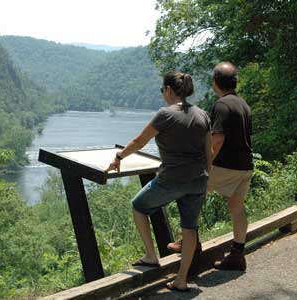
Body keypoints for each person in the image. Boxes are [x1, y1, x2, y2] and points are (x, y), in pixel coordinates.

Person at [106, 71, 212, 291]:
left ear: (168, 90)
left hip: (171, 180)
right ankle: (181, 279)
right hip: (198, 179)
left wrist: (119, 157)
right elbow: (208, 152)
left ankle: (151, 255)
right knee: (190, 228)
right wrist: (206, 179)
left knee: (138, 206)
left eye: (162, 89)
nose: (162, 93)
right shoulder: (202, 115)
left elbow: (139, 141)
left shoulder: (165, 114)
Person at [167, 62, 253, 271]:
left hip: (225, 166)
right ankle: (237, 254)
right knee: (237, 207)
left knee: (189, 194)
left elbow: (217, 139)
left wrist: (204, 164)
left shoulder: (222, 105)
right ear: (235, 82)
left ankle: (191, 243)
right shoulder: (243, 105)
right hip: (245, 166)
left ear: (215, 83)